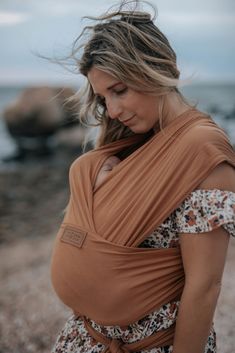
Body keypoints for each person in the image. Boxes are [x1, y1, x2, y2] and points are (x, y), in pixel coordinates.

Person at [50, 1, 235, 353]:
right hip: (86, 337)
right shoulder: (135, 143)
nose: (114, 111)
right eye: (105, 98)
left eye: (119, 90)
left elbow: (204, 287)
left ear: (156, 69)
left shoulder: (203, 154)